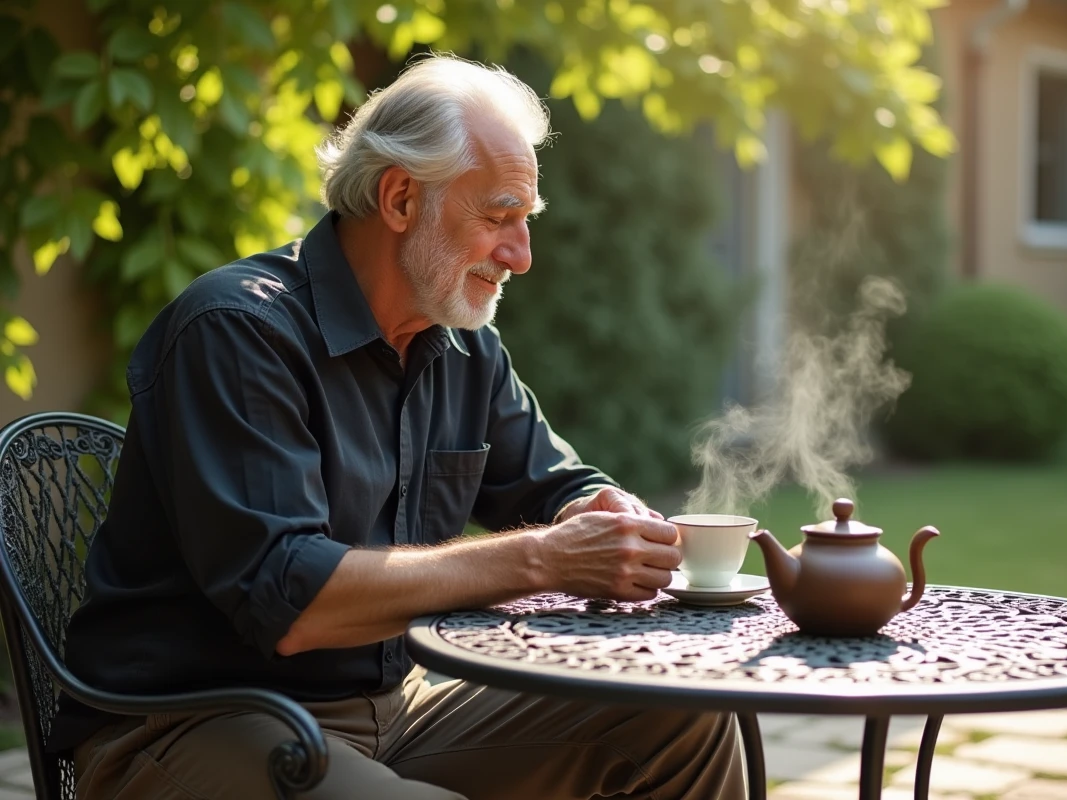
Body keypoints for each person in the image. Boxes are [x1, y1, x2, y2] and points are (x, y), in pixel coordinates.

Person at [50, 55, 747, 799]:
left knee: (681, 720)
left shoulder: (461, 343)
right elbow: (292, 599)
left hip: (392, 715)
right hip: (188, 724)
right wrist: (544, 559)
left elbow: (555, 484)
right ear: (400, 197)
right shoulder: (237, 331)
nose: (522, 256)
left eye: (525, 222)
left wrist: (600, 515)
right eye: (499, 216)